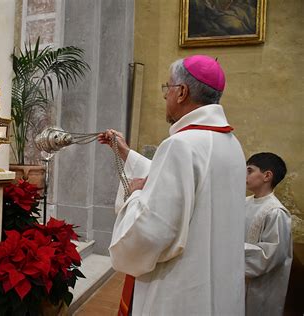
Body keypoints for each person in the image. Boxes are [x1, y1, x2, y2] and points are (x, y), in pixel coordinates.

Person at [98, 55, 246, 315]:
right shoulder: (231, 143)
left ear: (182, 92)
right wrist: (126, 153)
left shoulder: (181, 145)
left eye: (167, 88)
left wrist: (134, 196)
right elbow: (181, 187)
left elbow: (151, 230)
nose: (164, 96)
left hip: (180, 290)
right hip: (216, 285)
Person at [244, 152, 292, 316]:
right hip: (236, 280)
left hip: (259, 287)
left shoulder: (275, 212)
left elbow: (270, 256)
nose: (245, 174)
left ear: (267, 176)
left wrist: (230, 250)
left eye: (249, 170)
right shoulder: (244, 202)